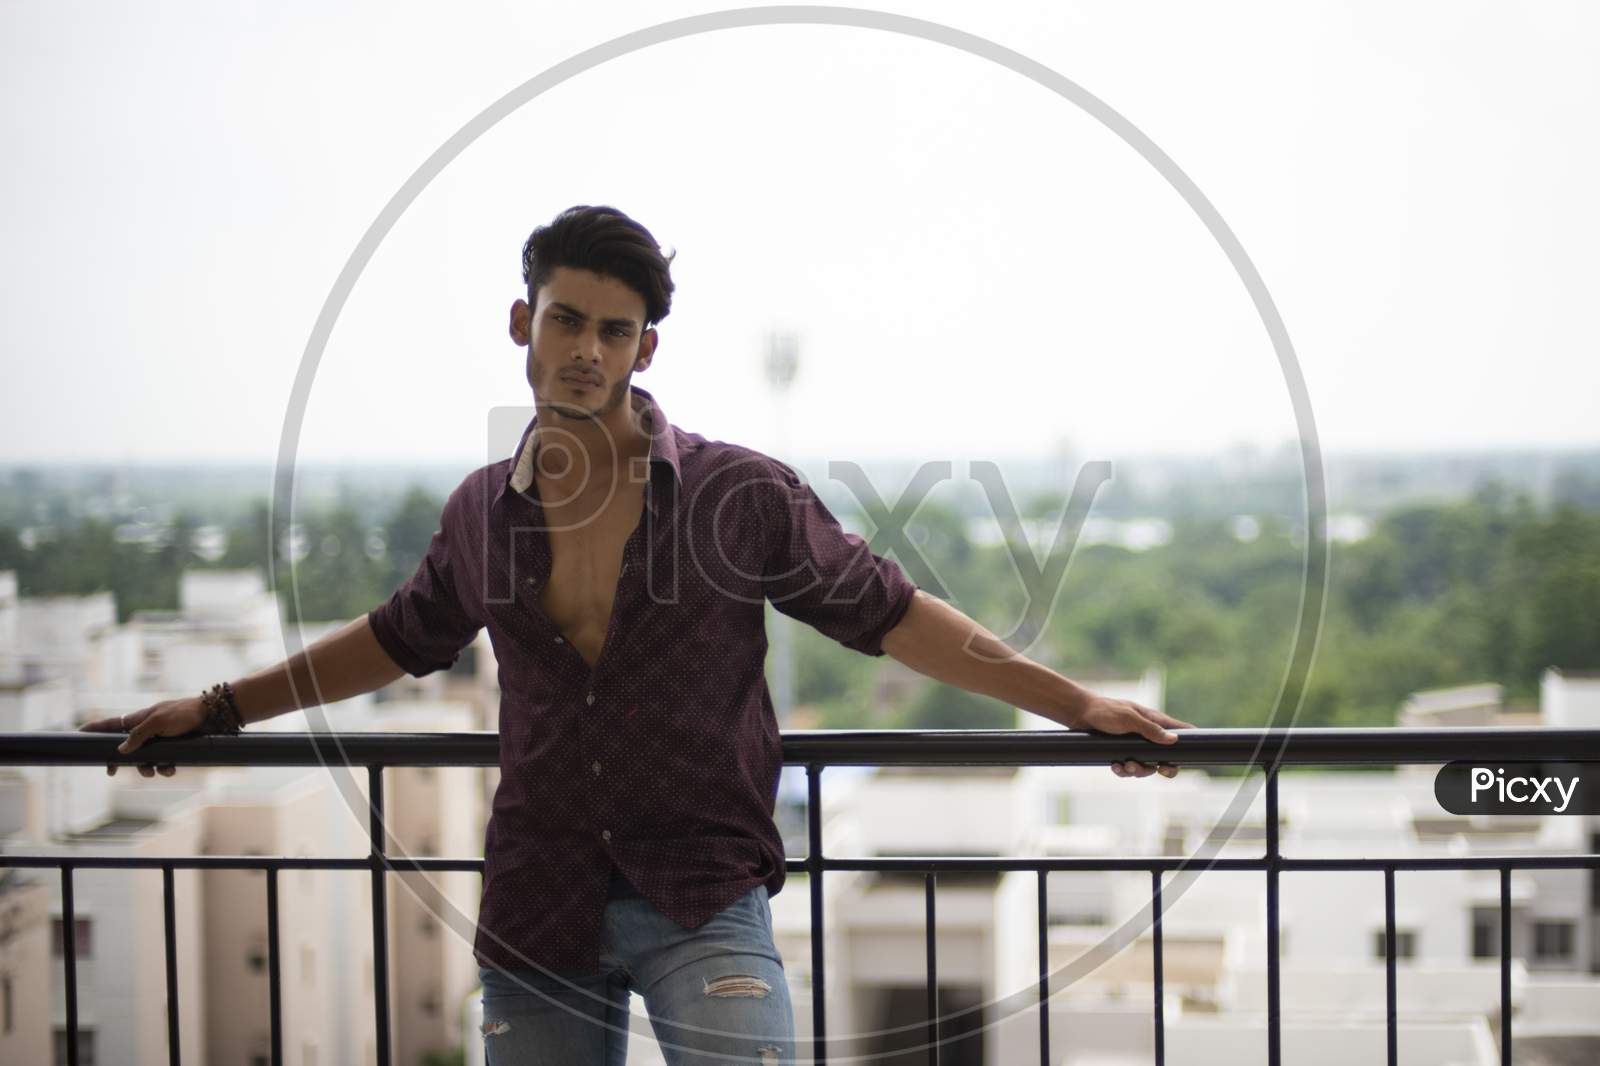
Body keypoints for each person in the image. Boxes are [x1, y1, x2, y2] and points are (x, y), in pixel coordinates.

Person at [81, 204, 1194, 1064]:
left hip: (701, 893)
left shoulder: (734, 494)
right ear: (525, 321)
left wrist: (1076, 704)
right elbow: (395, 637)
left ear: (643, 349)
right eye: (565, 319)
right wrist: (221, 709)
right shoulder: (480, 509)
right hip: (536, 902)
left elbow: (894, 616)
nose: (585, 350)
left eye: (614, 331)